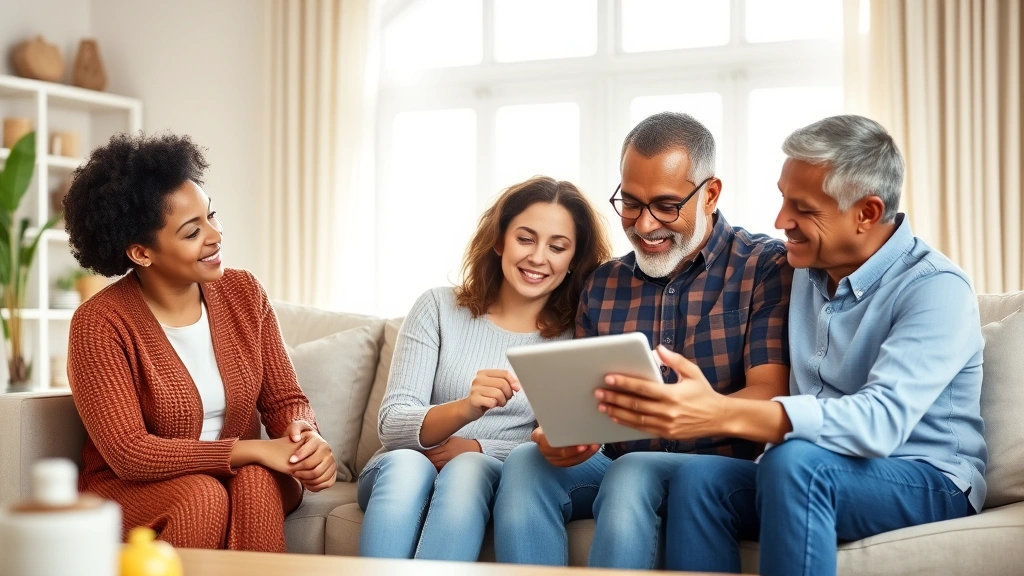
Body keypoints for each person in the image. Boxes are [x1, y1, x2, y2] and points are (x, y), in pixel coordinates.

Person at [594, 115, 986, 576]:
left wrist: (720, 411)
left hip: (923, 477)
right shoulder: (796, 271)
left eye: (803, 209)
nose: (782, 222)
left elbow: (881, 422)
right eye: (783, 200)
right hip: (808, 467)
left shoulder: (934, 288)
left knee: (795, 462)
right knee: (697, 479)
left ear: (867, 213)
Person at [493, 112, 793, 569]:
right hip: (616, 466)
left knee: (633, 471)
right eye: (630, 203)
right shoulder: (604, 283)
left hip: (719, 469)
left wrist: (687, 410)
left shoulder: (764, 267)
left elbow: (770, 393)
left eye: (666, 206)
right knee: (525, 463)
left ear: (710, 194)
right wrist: (560, 437)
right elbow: (579, 410)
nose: (645, 225)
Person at [63, 133, 337, 552]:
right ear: (141, 253)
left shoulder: (245, 292)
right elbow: (130, 452)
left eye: (212, 216)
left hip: (250, 472)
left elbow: (284, 400)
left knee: (257, 481)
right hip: (138, 487)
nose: (215, 235)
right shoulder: (100, 323)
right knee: (202, 497)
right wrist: (252, 450)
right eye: (193, 232)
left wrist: (301, 432)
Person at [357, 176, 612, 561]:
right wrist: (466, 409)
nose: (538, 257)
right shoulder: (437, 308)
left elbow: (575, 445)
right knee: (408, 466)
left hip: (488, 474)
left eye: (557, 247)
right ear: (499, 240)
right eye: (525, 239)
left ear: (573, 260)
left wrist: (478, 448)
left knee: (468, 470)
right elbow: (392, 424)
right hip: (403, 466)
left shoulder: (578, 334)